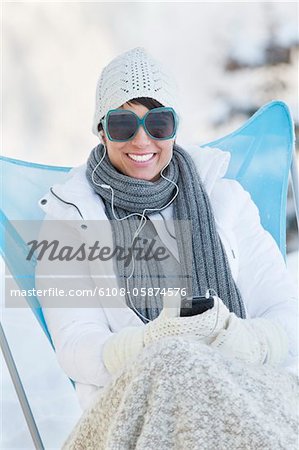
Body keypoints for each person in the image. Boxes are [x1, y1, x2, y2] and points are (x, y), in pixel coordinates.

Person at [36, 47, 298, 449]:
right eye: (124, 124)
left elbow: (285, 316)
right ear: (102, 130)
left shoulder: (223, 199)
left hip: (243, 384)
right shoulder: (69, 219)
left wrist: (237, 341)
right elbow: (75, 344)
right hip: (132, 409)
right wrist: (148, 345)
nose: (142, 140)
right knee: (175, 360)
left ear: (174, 128)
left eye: (158, 122)